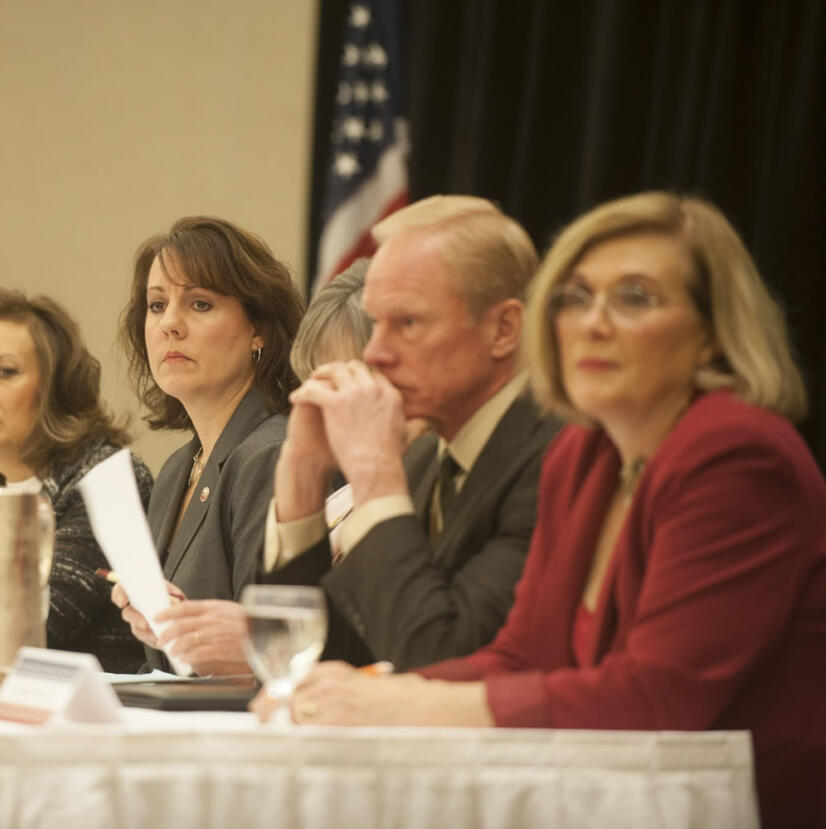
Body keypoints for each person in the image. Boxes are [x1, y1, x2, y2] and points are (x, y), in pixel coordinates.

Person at [266, 192, 826, 829]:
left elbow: (658, 695)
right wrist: (374, 692)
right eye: (575, 297)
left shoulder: (737, 454)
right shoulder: (585, 453)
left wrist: (398, 703)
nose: (592, 323)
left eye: (635, 297)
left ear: (712, 334)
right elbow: (521, 654)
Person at [262, 195, 563, 671]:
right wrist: (302, 473)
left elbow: (438, 662)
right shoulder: (424, 459)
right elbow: (314, 662)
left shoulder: (558, 455)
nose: (376, 353)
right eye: (376, 323)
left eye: (407, 322)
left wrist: (374, 474)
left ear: (504, 329)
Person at [112, 216, 305, 675]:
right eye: (156, 305)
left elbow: (272, 656)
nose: (169, 325)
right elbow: (171, 665)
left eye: (199, 304)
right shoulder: (179, 469)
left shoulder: (273, 454)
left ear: (258, 328)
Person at [0, 288, 153, 673]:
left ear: (57, 387)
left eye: (5, 372)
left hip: (88, 717)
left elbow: (32, 627)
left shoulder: (106, 478)